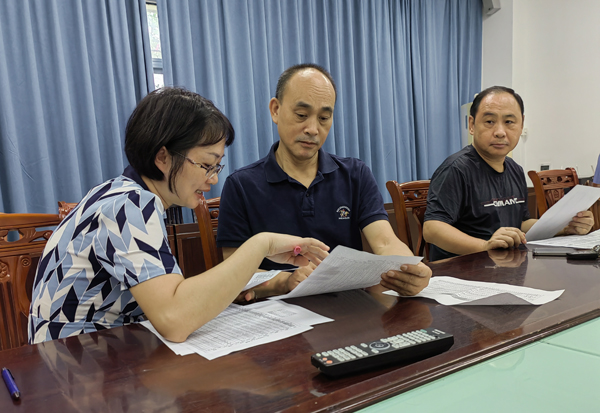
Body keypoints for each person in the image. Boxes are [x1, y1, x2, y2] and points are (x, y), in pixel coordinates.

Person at [28, 88, 329, 344]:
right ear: (163, 157)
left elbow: (171, 297)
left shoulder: (120, 192)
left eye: (217, 166)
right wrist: (262, 244)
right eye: (207, 165)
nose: (213, 179)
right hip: (75, 362)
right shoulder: (129, 204)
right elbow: (175, 319)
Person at [216, 63, 431, 300]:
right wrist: (285, 281)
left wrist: (410, 269)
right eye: (301, 115)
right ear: (275, 110)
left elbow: (385, 242)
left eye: (324, 118)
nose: (312, 129)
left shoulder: (355, 174)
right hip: (276, 310)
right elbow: (231, 272)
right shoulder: (241, 185)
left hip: (348, 307)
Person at [423, 86, 594, 261]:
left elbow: (521, 223)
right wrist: (485, 247)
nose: (500, 132)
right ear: (472, 125)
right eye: (489, 121)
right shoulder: (456, 169)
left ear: (521, 125)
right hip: (463, 270)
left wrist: (564, 227)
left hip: (506, 266)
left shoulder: (514, 169)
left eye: (509, 122)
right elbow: (432, 229)